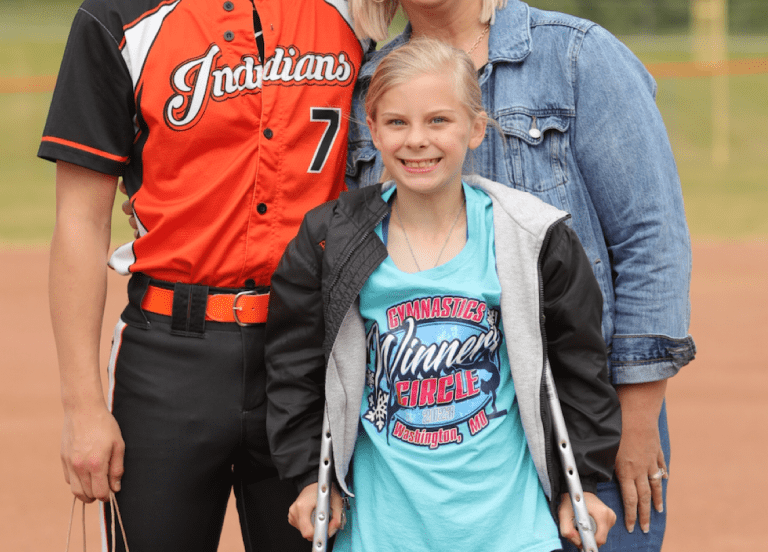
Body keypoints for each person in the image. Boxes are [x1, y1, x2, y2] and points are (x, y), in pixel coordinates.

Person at [38, 0, 365, 552]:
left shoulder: (361, 7)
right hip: (167, 358)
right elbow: (80, 223)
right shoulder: (119, 18)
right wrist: (85, 406)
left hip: (313, 354)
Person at [344, 0, 696, 551]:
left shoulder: (575, 60)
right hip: (441, 433)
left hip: (580, 414)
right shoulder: (366, 91)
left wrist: (634, 424)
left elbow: (650, 240)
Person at [265, 37, 622, 551]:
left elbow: (579, 368)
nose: (417, 140)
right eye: (397, 123)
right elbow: (293, 367)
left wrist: (581, 483)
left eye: (438, 121)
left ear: (475, 128)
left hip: (509, 530)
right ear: (372, 131)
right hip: (383, 531)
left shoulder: (530, 238)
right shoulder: (332, 240)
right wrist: (307, 476)